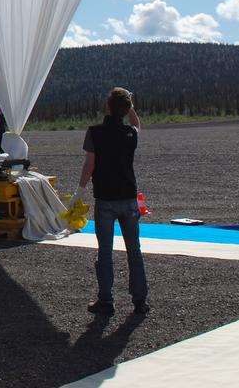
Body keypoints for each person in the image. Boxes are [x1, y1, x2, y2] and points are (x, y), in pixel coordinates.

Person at [79, 87, 148, 316]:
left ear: (108, 107)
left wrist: (80, 190)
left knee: (105, 251)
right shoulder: (130, 133)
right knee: (134, 251)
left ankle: (106, 301)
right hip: (128, 198)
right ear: (126, 109)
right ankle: (140, 301)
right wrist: (131, 107)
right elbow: (138, 126)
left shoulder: (95, 132)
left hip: (105, 199)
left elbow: (90, 165)